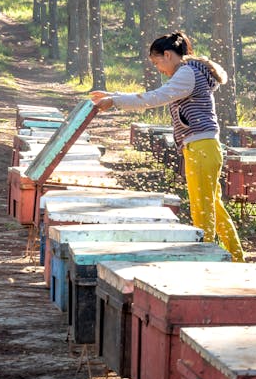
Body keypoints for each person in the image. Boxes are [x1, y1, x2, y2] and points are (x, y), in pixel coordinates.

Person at [90, 32, 244, 262]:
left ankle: (206, 259)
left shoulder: (187, 73)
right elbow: (158, 95)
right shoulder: (190, 71)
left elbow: (155, 97)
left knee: (202, 210)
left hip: (201, 148)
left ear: (168, 54)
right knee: (214, 207)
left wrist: (115, 100)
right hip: (203, 148)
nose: (158, 68)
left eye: (157, 62)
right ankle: (236, 258)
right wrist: (114, 95)